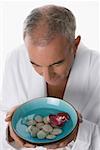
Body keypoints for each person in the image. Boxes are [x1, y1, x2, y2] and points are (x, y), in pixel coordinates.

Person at [0, 5, 100, 150]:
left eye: (57, 63)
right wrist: (9, 131)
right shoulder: (15, 58)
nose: (47, 76)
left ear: (75, 45)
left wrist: (81, 133)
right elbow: (3, 113)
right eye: (35, 64)